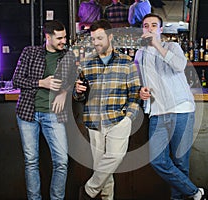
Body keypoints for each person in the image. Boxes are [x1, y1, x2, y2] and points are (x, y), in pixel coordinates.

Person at [135, 13, 208, 200]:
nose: (150, 28)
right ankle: (197, 193)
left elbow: (179, 65)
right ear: (142, 29)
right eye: (146, 25)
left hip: (181, 110)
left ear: (161, 29)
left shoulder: (172, 46)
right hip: (157, 113)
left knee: (180, 162)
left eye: (154, 25)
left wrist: (157, 45)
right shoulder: (139, 54)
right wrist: (140, 91)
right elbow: (139, 81)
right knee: (157, 160)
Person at [73, 19, 141, 200]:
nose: (95, 43)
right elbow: (79, 94)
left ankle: (88, 190)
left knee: (113, 159)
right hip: (93, 121)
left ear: (110, 37)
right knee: (103, 169)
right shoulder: (86, 63)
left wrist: (128, 118)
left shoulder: (127, 62)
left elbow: (135, 93)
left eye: (100, 38)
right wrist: (77, 91)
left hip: (118, 119)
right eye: (93, 39)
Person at [12, 20, 76, 200]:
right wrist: (42, 83)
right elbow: (16, 80)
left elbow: (74, 79)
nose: (64, 41)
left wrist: (64, 92)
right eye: (60, 38)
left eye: (65, 37)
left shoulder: (68, 56)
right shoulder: (30, 52)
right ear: (48, 37)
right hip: (28, 113)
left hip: (53, 114)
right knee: (31, 161)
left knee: (61, 162)